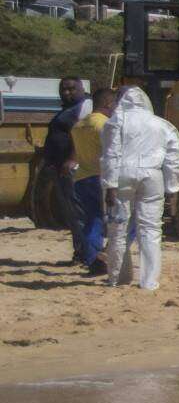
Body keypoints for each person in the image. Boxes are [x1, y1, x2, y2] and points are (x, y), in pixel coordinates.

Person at [100, 86, 179, 290]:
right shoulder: (163, 125)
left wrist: (110, 185)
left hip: (121, 176)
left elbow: (111, 154)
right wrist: (172, 188)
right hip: (152, 176)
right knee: (151, 229)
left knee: (118, 228)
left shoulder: (116, 122)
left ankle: (118, 277)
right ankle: (149, 281)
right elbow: (175, 158)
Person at [66, 84, 118, 276]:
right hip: (100, 178)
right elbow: (111, 153)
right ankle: (99, 257)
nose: (116, 108)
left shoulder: (79, 124)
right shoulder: (104, 125)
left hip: (81, 177)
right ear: (107, 103)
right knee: (108, 221)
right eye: (114, 104)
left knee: (91, 219)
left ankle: (91, 258)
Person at [42, 77, 91, 264]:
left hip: (73, 168)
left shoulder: (85, 107)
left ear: (82, 88)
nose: (66, 92)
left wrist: (72, 158)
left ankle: (87, 254)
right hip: (60, 167)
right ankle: (80, 252)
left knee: (78, 212)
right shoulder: (67, 109)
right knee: (71, 213)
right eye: (63, 89)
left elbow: (82, 135)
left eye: (71, 89)